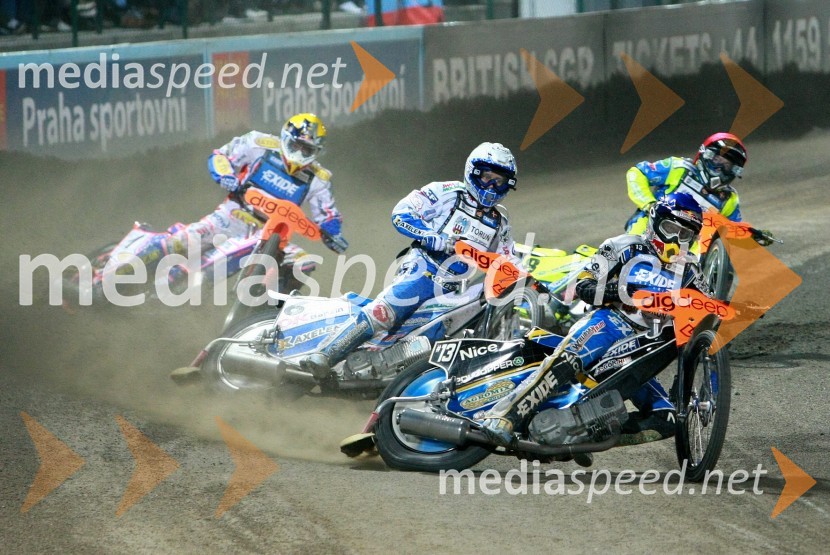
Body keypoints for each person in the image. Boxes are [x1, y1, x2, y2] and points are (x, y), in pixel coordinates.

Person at [482, 192, 706, 447]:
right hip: (610, 323)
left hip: (644, 349)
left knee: (666, 419)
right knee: (566, 362)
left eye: (685, 235)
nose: (676, 240)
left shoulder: (691, 272)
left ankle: (580, 434)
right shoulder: (624, 246)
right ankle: (503, 417)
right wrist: (626, 294)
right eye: (670, 229)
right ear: (656, 223)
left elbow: (710, 311)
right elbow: (584, 286)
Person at [301, 141, 519, 378]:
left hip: (456, 289)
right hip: (424, 267)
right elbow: (402, 213)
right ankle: (325, 354)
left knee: (440, 337)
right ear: (473, 172)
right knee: (388, 310)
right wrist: (430, 236)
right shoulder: (447, 192)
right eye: (487, 177)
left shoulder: (500, 223)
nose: (491, 186)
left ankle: (388, 373)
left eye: (499, 181)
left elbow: (509, 261)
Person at [112, 112, 348, 284]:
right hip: (231, 215)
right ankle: (112, 275)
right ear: (286, 137)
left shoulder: (319, 178)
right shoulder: (258, 143)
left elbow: (328, 214)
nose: (299, 154)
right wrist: (225, 175)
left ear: (316, 152)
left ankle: (268, 314)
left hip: (268, 234)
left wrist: (333, 234)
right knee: (180, 243)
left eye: (307, 150)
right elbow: (221, 156)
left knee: (303, 262)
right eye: (296, 145)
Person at [625, 132, 747, 235]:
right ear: (705, 154)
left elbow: (733, 231)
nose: (720, 168)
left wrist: (752, 235)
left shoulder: (729, 199)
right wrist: (648, 204)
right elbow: (637, 173)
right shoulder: (678, 168)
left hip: (690, 245)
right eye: (717, 159)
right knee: (636, 241)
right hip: (650, 226)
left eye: (727, 165)